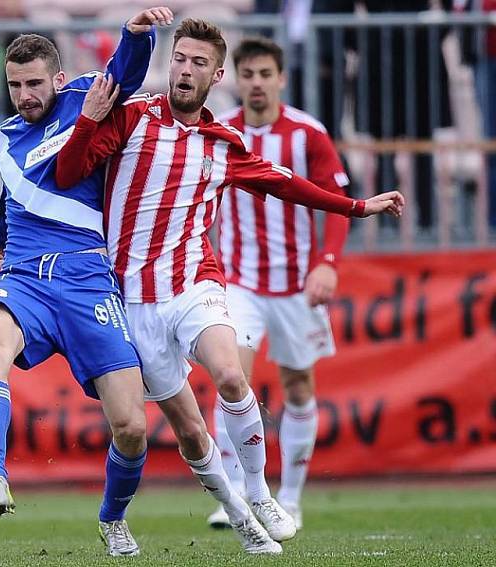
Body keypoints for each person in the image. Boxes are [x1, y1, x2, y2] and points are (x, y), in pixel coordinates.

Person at [55, 18, 404, 554]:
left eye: (198, 63)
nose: (185, 70)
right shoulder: (130, 119)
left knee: (230, 376)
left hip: (196, 281)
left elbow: (287, 185)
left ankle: (262, 493)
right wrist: (86, 121)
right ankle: (241, 519)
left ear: (216, 75)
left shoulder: (225, 143)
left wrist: (357, 207)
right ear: (168, 63)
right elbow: (67, 172)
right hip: (132, 299)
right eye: (179, 59)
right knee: (189, 434)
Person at [0, 7, 173, 557]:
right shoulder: (5, 134)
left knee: (132, 427)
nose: (24, 95)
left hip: (87, 276)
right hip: (24, 275)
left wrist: (137, 35)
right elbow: (18, 188)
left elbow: (125, 75)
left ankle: (112, 519)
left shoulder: (87, 93)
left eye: (34, 83)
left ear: (58, 78)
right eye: (15, 85)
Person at [202, 35, 350, 533]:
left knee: (298, 386)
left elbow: (333, 201)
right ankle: (238, 497)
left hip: (295, 285)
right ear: (234, 79)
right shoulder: (220, 132)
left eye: (266, 74)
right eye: (248, 75)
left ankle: (290, 498)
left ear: (281, 78)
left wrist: (327, 262)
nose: (257, 84)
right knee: (229, 377)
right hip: (238, 281)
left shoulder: (307, 134)